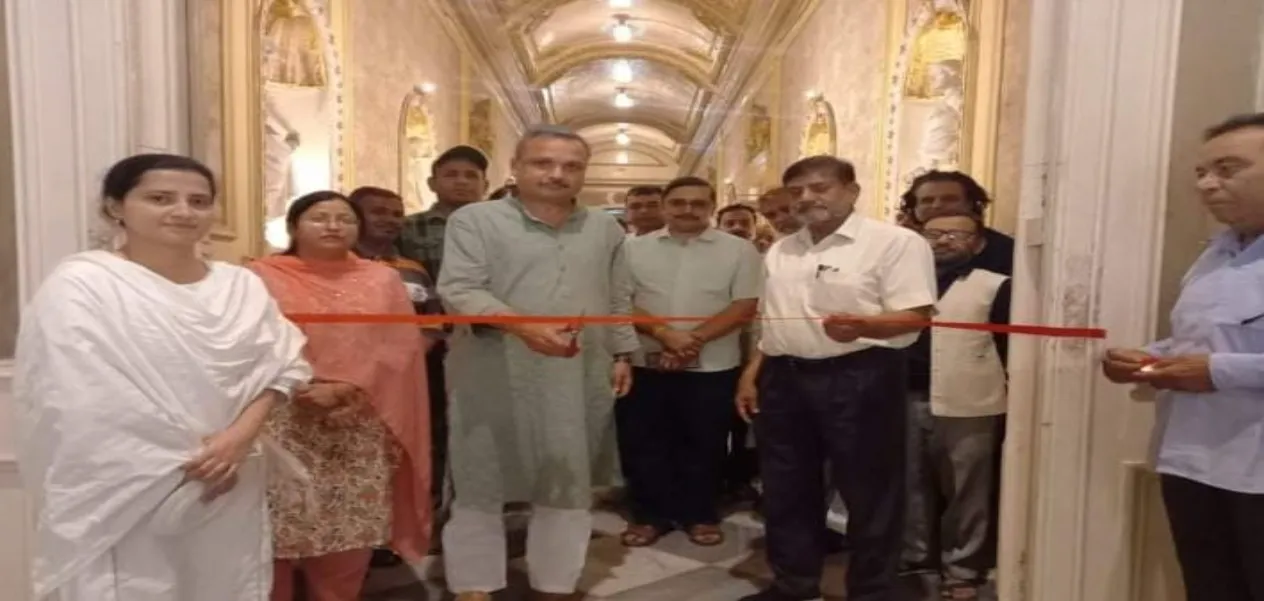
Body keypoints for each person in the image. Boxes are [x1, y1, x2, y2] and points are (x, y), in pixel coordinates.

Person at [14, 154, 312, 601]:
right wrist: (188, 462)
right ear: (116, 207)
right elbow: (77, 397)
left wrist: (237, 440)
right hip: (125, 488)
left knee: (223, 583)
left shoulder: (239, 285)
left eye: (199, 201)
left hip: (231, 477)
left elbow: (282, 368)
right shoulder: (83, 284)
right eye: (159, 198)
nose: (183, 211)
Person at [437, 125, 637, 601]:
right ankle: (474, 583)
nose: (557, 174)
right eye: (543, 163)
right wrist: (523, 327)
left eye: (571, 166)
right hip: (492, 368)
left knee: (567, 475)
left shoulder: (605, 228)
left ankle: (556, 580)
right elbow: (460, 289)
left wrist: (623, 352)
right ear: (516, 168)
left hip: (579, 369)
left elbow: (618, 295)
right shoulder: (475, 221)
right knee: (479, 473)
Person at [737, 155, 936, 601]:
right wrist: (753, 373)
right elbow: (772, 322)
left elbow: (917, 316)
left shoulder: (895, 243)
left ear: (851, 191)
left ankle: (872, 591)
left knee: (871, 492)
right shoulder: (781, 250)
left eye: (820, 187)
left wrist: (866, 326)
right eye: (797, 191)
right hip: (785, 378)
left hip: (861, 376)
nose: (807, 198)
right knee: (786, 488)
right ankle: (794, 585)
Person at [1101, 112, 1264, 601]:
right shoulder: (1217, 251)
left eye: (1228, 169)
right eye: (1202, 173)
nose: (1208, 185)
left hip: (1257, 468)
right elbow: (1205, 340)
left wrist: (1215, 371)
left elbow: (1216, 360)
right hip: (1193, 459)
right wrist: (1148, 357)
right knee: (1211, 586)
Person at [250, 191, 431, 601]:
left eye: (344, 219)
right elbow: (249, 343)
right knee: (271, 536)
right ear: (294, 227)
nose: (333, 226)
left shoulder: (381, 278)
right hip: (280, 418)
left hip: (359, 419)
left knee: (346, 537)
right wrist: (299, 384)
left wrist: (347, 386)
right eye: (319, 217)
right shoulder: (258, 276)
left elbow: (398, 345)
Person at [618, 176, 762, 548]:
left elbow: (745, 304)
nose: (687, 210)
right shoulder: (632, 249)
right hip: (644, 361)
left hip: (714, 364)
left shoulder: (739, 251)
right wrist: (666, 336)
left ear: (711, 208)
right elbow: (621, 300)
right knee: (644, 442)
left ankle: (699, 513)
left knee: (706, 442)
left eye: (698, 203)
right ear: (665, 206)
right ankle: (650, 515)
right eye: (678, 202)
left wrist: (692, 341)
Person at [902, 212, 1011, 600]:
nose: (943, 241)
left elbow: (1010, 347)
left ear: (977, 241)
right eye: (933, 233)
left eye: (955, 234)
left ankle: (963, 567)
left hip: (972, 400)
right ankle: (916, 559)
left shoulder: (996, 285)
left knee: (968, 490)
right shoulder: (903, 285)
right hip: (907, 397)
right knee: (911, 484)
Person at [348, 185, 446, 566]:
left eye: (396, 212)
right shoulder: (336, 265)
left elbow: (435, 322)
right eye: (378, 212)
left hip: (410, 380)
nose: (389, 220)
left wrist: (403, 362)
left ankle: (396, 534)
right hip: (351, 382)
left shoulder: (413, 269)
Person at [397, 144, 491, 278]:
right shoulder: (407, 227)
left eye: (471, 176)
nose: (462, 181)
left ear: (485, 186)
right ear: (432, 183)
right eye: (451, 175)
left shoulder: (502, 226)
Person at [898, 170, 1013, 275]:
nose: (937, 205)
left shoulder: (1006, 251)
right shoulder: (899, 247)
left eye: (949, 199)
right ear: (913, 208)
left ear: (971, 203)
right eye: (927, 201)